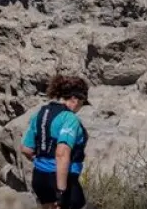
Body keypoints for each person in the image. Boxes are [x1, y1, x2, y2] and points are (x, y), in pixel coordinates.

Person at [20, 75, 91, 209]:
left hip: (39, 178)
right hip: (61, 180)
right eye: (82, 103)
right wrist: (61, 191)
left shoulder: (40, 113)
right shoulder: (69, 118)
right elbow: (62, 154)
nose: (80, 108)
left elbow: (26, 149)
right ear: (75, 99)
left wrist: (42, 159)